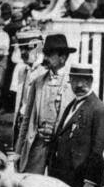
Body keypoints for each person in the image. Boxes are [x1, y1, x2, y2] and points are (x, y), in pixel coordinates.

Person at [46, 63, 104, 187]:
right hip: (64, 177)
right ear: (70, 80)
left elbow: (100, 149)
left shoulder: (99, 110)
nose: (80, 85)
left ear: (91, 81)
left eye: (85, 80)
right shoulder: (72, 106)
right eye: (75, 80)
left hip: (82, 181)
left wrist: (91, 181)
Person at [13, 33, 75, 173]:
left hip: (60, 146)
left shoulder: (72, 84)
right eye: (45, 53)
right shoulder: (38, 82)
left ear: (62, 57)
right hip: (37, 143)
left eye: (49, 54)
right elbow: (27, 119)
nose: (45, 58)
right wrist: (18, 151)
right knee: (32, 183)